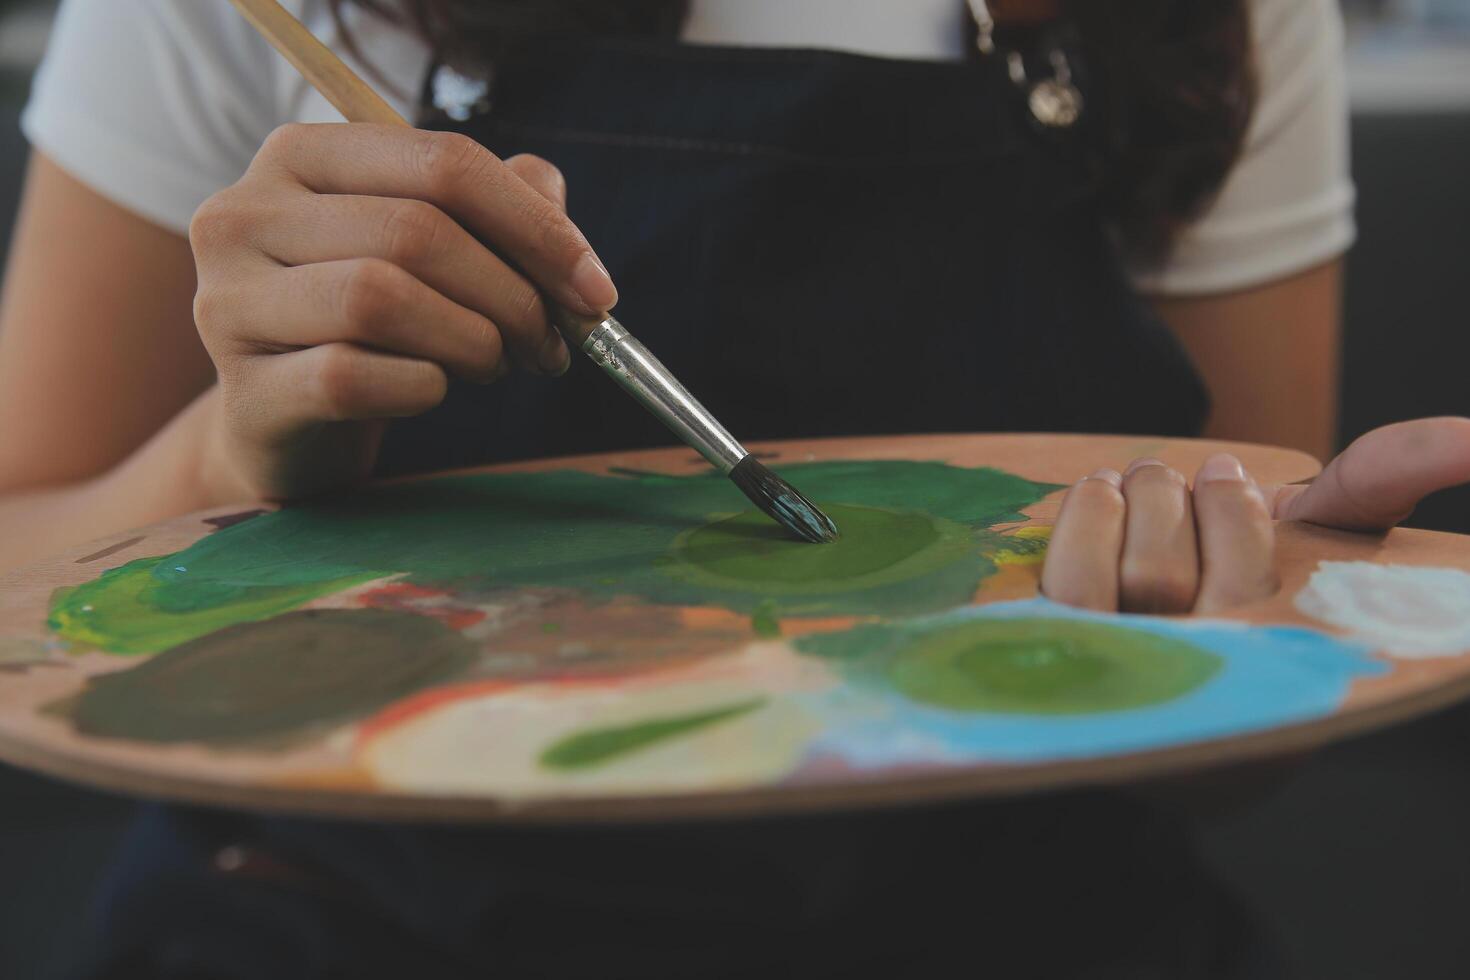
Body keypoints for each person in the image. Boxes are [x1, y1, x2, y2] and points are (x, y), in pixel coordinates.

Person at [3, 1, 1469, 976]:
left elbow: (1250, 752)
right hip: (339, 925)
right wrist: (235, 453)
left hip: (1028, 926)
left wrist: (1261, 617)